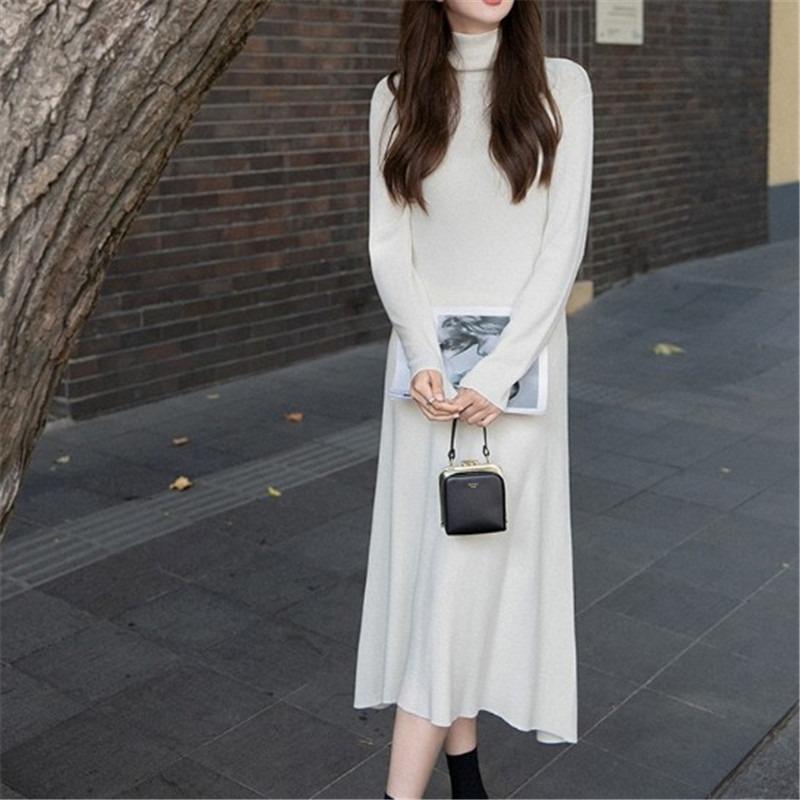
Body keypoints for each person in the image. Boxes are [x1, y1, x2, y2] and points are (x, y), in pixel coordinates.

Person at [352, 0, 594, 797]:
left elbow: (561, 244)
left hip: (513, 387)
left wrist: (500, 371)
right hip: (423, 380)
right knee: (440, 574)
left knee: (457, 578)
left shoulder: (562, 85)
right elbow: (390, 243)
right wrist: (426, 354)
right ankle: (466, 775)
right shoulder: (398, 94)